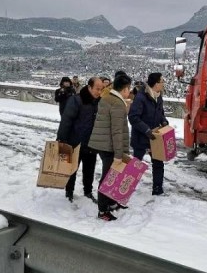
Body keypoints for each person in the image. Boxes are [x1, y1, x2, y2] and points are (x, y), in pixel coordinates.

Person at [88, 74, 132, 221]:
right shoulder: (118, 103)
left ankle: (111, 202)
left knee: (110, 175)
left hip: (103, 143)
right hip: (109, 146)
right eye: (128, 88)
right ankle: (102, 211)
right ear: (125, 89)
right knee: (108, 178)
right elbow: (117, 131)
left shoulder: (107, 98)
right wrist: (119, 155)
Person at [57, 77, 103, 203]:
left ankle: (88, 191)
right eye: (97, 89)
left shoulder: (100, 102)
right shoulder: (76, 100)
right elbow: (66, 120)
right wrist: (61, 139)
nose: (99, 92)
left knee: (90, 170)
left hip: (91, 143)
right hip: (75, 141)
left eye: (101, 89)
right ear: (89, 87)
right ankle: (69, 192)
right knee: (72, 169)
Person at [128, 72, 168, 196]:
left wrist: (164, 121)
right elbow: (133, 117)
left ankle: (157, 188)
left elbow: (160, 113)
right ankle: (126, 187)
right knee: (136, 164)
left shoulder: (158, 96)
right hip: (141, 136)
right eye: (162, 81)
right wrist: (146, 130)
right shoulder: (141, 97)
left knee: (158, 163)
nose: (163, 84)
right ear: (156, 84)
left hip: (155, 137)